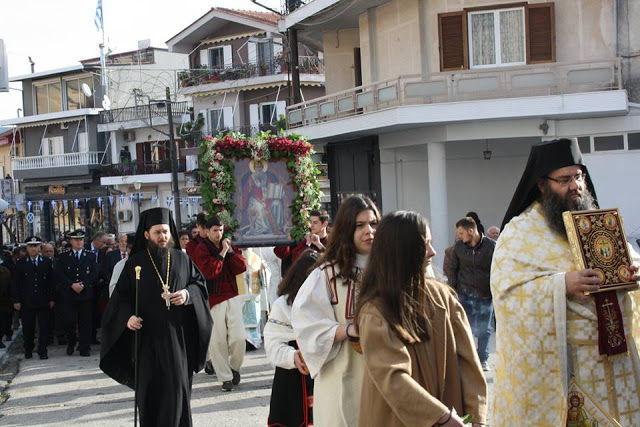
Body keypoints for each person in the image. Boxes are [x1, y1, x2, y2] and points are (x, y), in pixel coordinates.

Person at [491, 138, 640, 425]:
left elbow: (630, 260)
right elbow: (508, 295)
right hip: (567, 369)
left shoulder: (599, 222)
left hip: (616, 361)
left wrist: (632, 275)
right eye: (564, 180)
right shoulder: (519, 234)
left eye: (579, 176)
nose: (576, 186)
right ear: (542, 184)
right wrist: (562, 285)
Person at [355, 211, 487, 426]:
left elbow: (468, 362)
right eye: (424, 245)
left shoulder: (443, 297)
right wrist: (440, 416)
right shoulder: (376, 311)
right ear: (402, 251)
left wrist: (477, 415)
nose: (433, 252)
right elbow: (393, 377)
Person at [100, 207, 213, 427]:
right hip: (147, 341)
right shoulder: (135, 264)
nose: (162, 236)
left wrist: (186, 294)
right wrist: (128, 318)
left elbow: (199, 286)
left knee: (178, 394)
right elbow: (120, 299)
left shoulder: (182, 259)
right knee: (151, 395)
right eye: (157, 232)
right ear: (146, 235)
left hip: (178, 341)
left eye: (165, 232)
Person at [291, 195, 380, 427]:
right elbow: (305, 321)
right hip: (342, 373)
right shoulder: (327, 273)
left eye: (373, 224)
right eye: (359, 225)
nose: (368, 231)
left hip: (385, 373)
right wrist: (346, 330)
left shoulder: (390, 269)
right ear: (345, 229)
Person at [193, 215, 247, 391]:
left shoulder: (229, 245)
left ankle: (234, 368)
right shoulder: (201, 249)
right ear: (207, 231)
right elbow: (210, 272)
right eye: (215, 230)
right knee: (217, 341)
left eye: (221, 230)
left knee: (239, 337)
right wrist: (222, 253)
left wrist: (230, 251)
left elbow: (241, 267)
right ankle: (225, 378)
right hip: (213, 299)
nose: (218, 234)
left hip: (232, 295)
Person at [265, 251, 317, 427]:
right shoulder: (283, 305)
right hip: (292, 377)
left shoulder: (332, 303)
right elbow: (272, 343)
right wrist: (292, 356)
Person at [449, 217, 495, 371]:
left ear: (471, 231)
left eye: (461, 233)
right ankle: (468, 359)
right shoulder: (459, 247)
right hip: (465, 294)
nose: (459, 236)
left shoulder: (491, 246)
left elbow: (497, 269)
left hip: (485, 295)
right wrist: (452, 291)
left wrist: (494, 290)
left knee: (484, 329)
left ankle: (483, 359)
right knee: (464, 327)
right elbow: (453, 270)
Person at [55, 229, 99, 357]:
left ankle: (84, 347)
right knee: (69, 322)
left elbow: (94, 273)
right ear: (71, 241)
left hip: (85, 294)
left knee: (85, 322)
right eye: (76, 240)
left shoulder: (90, 256)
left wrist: (84, 284)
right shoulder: (63, 257)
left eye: (81, 239)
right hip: (69, 295)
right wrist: (71, 285)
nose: (79, 242)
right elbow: (60, 274)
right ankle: (71, 341)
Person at [12, 237, 55, 359]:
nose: (33, 249)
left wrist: (52, 298)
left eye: (35, 246)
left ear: (39, 248)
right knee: (28, 328)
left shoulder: (46, 262)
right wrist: (16, 300)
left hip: (43, 300)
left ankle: (43, 350)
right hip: (27, 301)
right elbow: (16, 283)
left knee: (44, 327)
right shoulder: (21, 263)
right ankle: (28, 349)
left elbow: (51, 282)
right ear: (27, 248)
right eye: (31, 246)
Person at [274, 209, 329, 276]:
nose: (311, 225)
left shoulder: (331, 241)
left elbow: (333, 260)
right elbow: (291, 258)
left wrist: (319, 245)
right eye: (310, 222)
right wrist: (307, 244)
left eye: (315, 223)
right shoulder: (305, 240)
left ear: (325, 224)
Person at [0, 259, 11, 347]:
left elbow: (9, 287)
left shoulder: (5, 272)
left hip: (4, 301)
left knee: (4, 320)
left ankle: (7, 333)